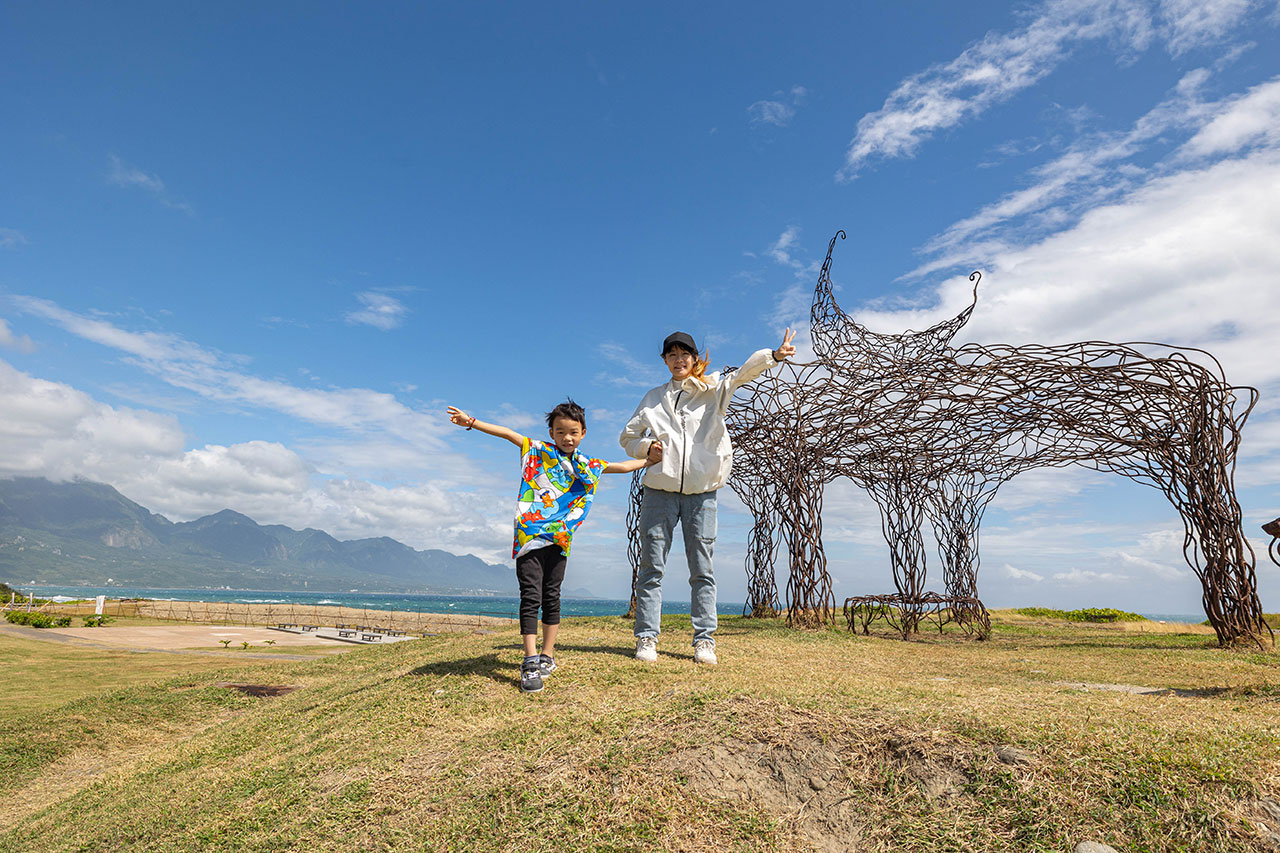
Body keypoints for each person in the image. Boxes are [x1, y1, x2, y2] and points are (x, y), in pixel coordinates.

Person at [448, 399, 661, 693]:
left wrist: (649, 461)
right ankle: (530, 660)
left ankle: (547, 655)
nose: (567, 437)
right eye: (560, 432)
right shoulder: (538, 451)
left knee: (552, 595)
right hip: (530, 536)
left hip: (560, 539)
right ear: (551, 433)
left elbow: (623, 467)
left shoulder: (586, 465)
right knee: (530, 596)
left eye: (573, 432)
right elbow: (508, 433)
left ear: (583, 433)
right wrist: (472, 422)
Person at [619, 329, 796, 664]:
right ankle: (646, 638)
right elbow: (628, 437)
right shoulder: (653, 398)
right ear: (665, 360)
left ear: (695, 358)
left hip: (702, 494)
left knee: (702, 570)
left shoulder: (713, 389)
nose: (678, 360)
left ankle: (704, 641)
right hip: (659, 491)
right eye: (672, 355)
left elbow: (743, 373)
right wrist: (646, 447)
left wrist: (773, 356)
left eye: (684, 354)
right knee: (652, 568)